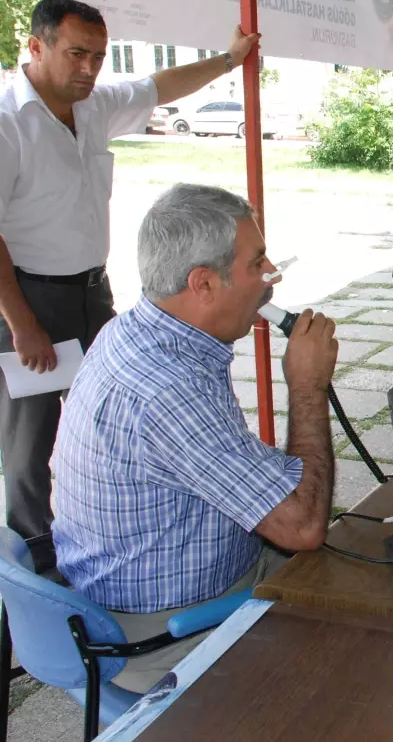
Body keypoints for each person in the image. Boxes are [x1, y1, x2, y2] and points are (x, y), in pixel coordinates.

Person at [0, 0, 260, 573]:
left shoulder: (90, 106)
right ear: (35, 47)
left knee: (109, 413)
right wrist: (23, 325)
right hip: (27, 299)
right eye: (76, 54)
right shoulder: (7, 121)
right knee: (28, 441)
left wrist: (227, 60)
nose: (90, 68)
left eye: (97, 55)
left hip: (91, 291)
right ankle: (35, 568)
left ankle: (107, 525)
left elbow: (158, 86)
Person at [52, 184, 339, 691]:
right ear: (203, 282)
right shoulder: (169, 390)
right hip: (163, 632)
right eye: (257, 264)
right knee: (364, 627)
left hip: (122, 592)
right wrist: (308, 387)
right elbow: (302, 527)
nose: (271, 277)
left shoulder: (135, 331)